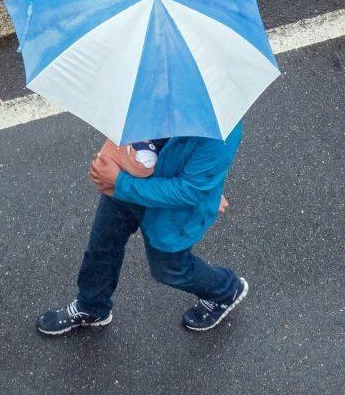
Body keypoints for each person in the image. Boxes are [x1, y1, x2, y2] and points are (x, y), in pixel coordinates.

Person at [37, 124, 246, 335]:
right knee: (102, 246)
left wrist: (119, 182)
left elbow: (188, 191)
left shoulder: (223, 129)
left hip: (169, 208)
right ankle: (91, 307)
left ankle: (226, 290)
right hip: (131, 177)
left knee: (169, 270)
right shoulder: (156, 93)